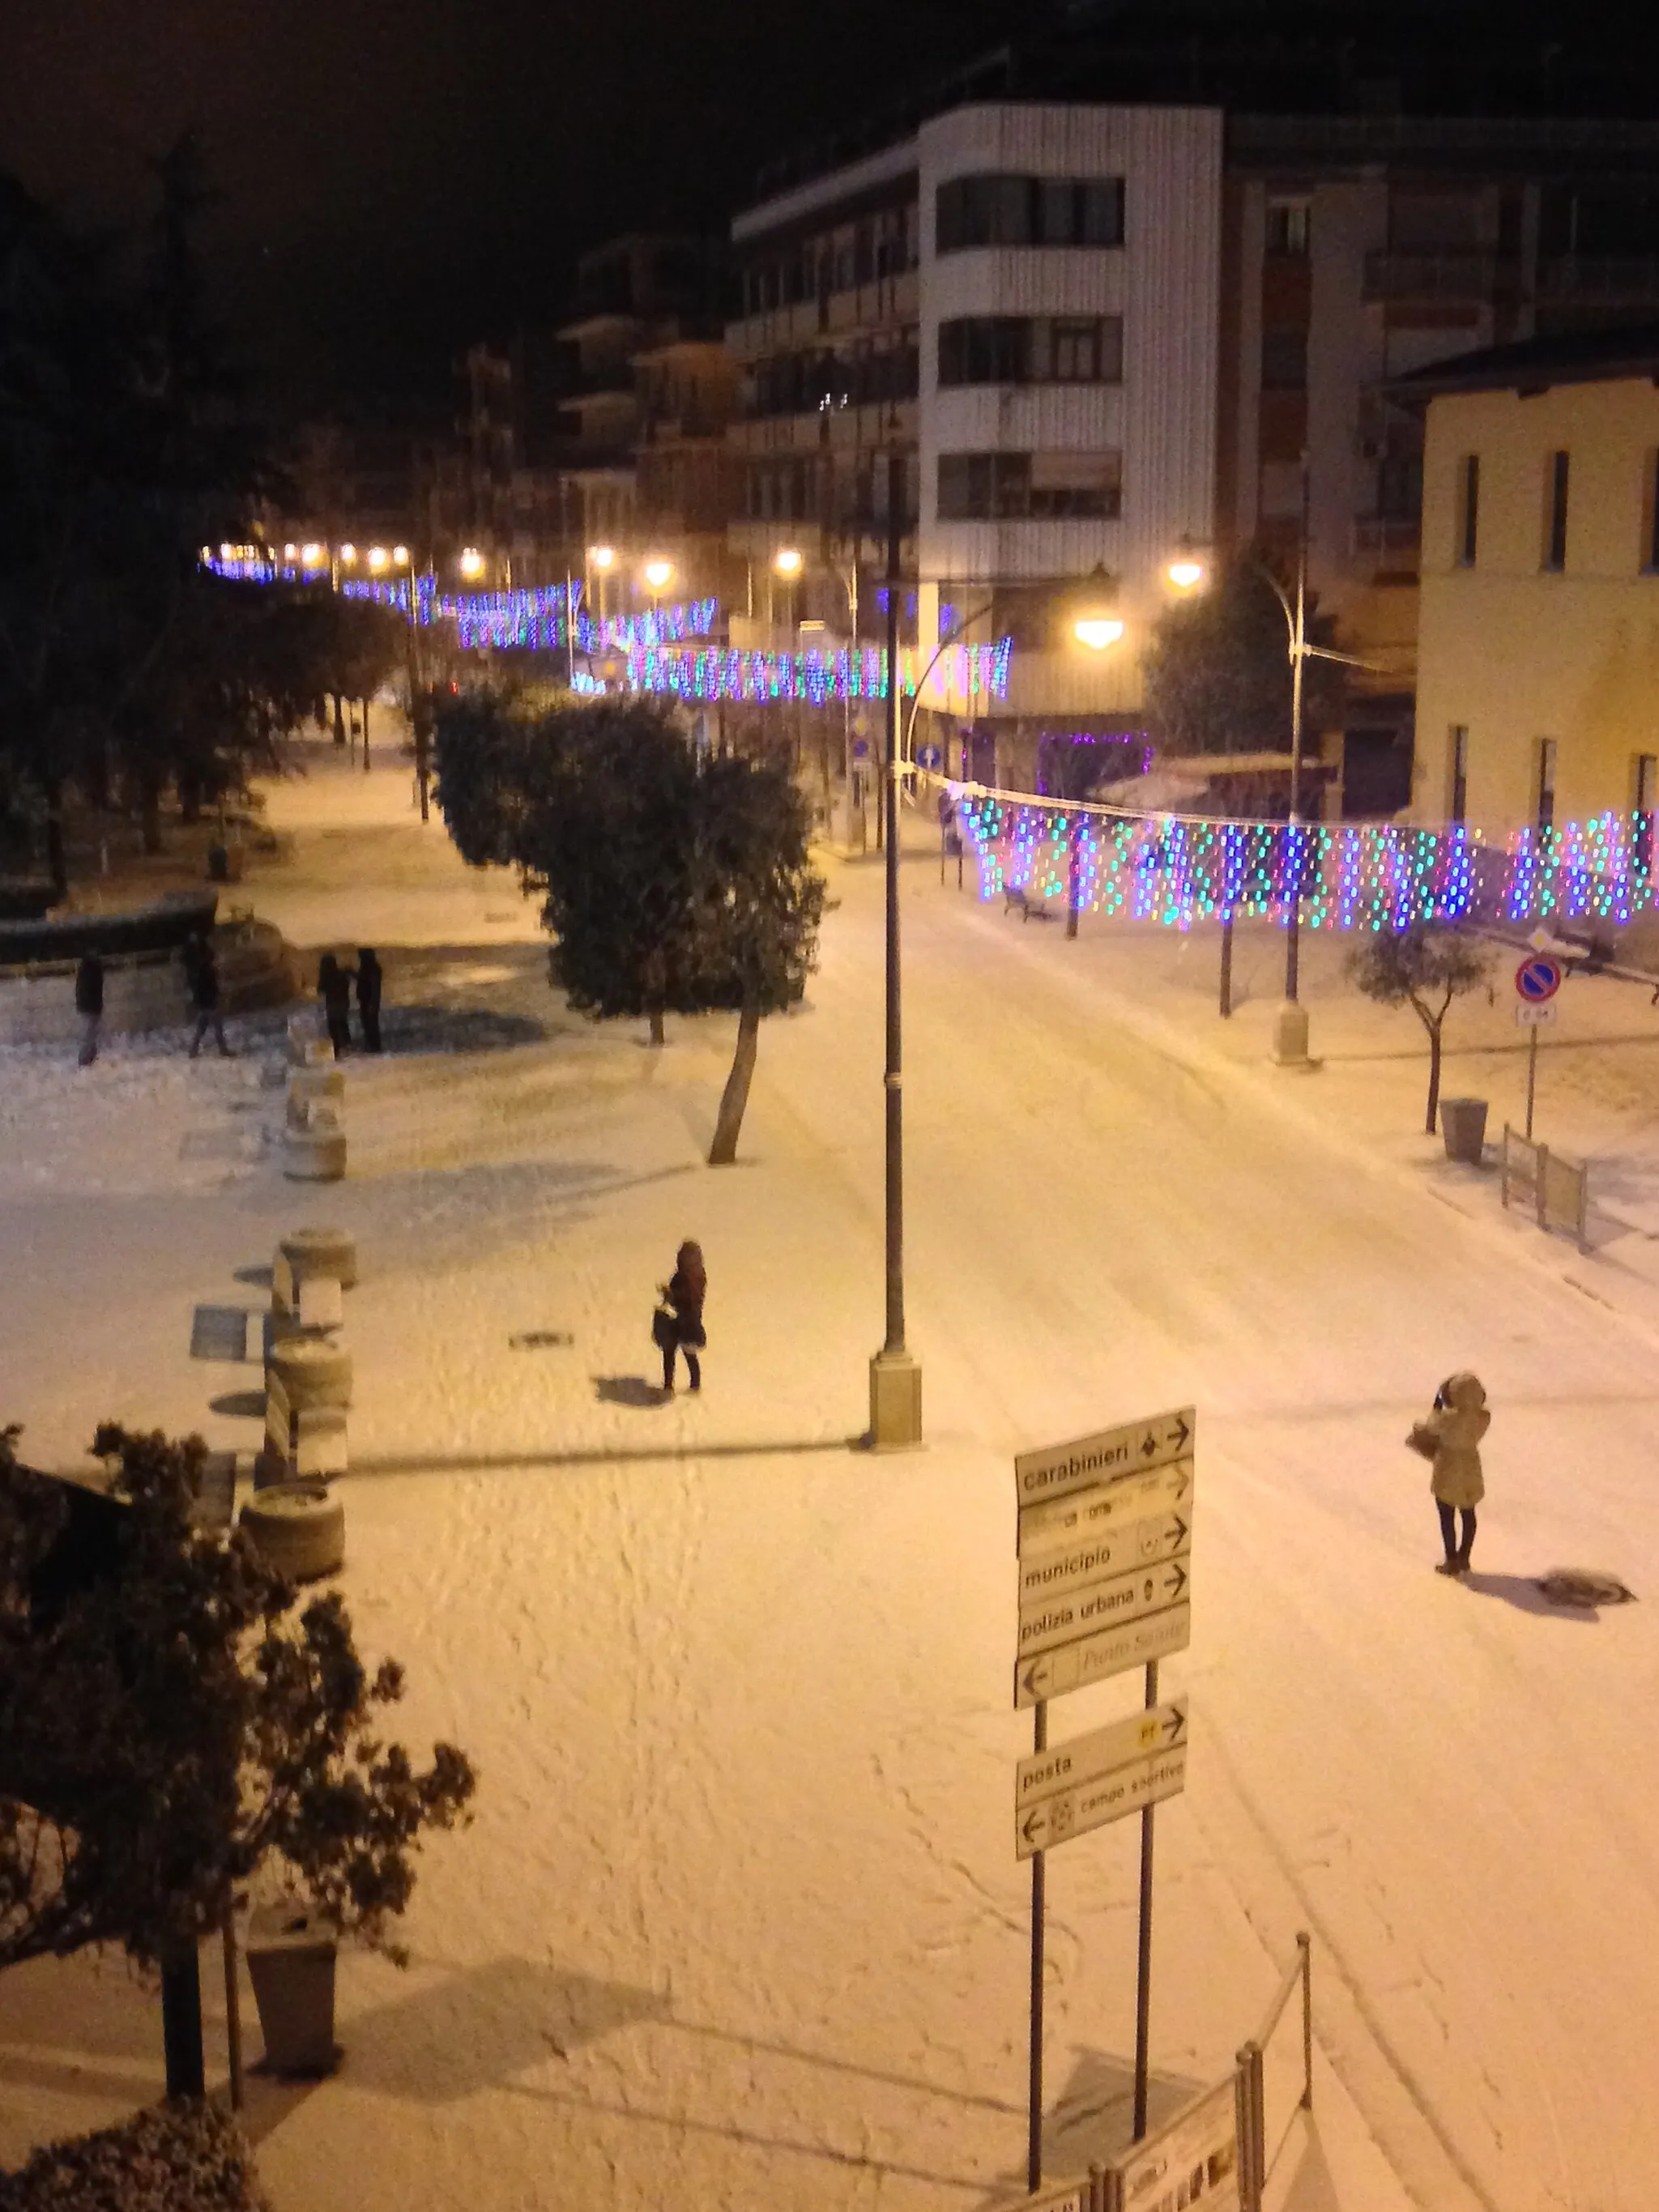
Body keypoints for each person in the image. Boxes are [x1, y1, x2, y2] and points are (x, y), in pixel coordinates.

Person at [1414, 1370, 1490, 1576]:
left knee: (1446, 1514)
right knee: (1468, 1512)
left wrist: (1437, 1406)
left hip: (1448, 1466)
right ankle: (1464, 1556)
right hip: (1471, 1466)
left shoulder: (1447, 1419)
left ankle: (1451, 1560)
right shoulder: (1484, 1418)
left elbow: (1431, 1427)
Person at [658, 1239, 707, 1396]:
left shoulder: (697, 1277)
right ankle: (668, 1385)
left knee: (689, 1353)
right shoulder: (679, 1276)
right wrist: (668, 1296)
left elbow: (692, 1298)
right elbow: (675, 1296)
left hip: (689, 1322)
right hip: (676, 1319)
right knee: (669, 1352)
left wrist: (673, 1295)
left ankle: (695, 1386)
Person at [184, 929, 232, 1058]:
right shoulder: (206, 970)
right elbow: (210, 986)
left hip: (204, 1001)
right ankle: (222, 1049)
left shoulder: (199, 968)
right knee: (217, 1026)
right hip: (209, 1001)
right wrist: (214, 998)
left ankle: (193, 1050)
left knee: (202, 1027)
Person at [318, 952, 354, 1058]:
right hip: (343, 1003)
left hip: (332, 1004)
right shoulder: (341, 975)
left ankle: (337, 1049)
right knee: (343, 1024)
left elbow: (320, 990)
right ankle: (347, 1045)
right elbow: (347, 984)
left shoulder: (326, 976)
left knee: (333, 1027)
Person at [75, 952, 104, 1067]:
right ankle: (85, 1060)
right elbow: (92, 990)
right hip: (91, 1007)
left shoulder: (85, 971)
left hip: (88, 1006)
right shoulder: (92, 971)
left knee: (91, 1034)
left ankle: (88, 1059)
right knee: (90, 1035)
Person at [355, 947, 384, 1053]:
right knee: (368, 1023)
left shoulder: (372, 968)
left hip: (369, 1001)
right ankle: (372, 1045)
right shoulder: (369, 968)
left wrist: (373, 1002)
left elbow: (374, 985)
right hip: (367, 1001)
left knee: (370, 1024)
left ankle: (374, 1046)